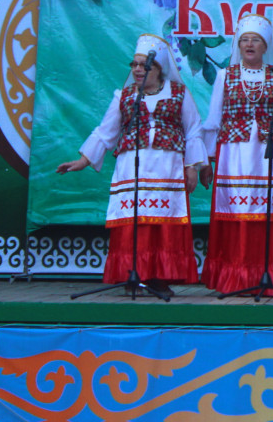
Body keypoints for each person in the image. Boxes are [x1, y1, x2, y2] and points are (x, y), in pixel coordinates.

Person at [56, 33, 207, 291]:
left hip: (167, 168)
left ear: (158, 69)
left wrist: (192, 167)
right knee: (134, 221)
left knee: (162, 221)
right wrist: (83, 160)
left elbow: (193, 130)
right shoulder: (124, 96)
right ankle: (132, 275)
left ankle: (159, 276)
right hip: (132, 167)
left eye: (143, 65)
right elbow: (106, 132)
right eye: (134, 65)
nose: (138, 69)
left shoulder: (179, 93)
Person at [200, 14, 273, 295]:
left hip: (271, 154)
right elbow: (213, 119)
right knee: (236, 212)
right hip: (233, 155)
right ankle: (236, 278)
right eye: (244, 39)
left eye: (255, 40)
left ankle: (267, 276)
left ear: (265, 45)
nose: (249, 44)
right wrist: (207, 162)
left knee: (269, 212)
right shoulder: (225, 75)